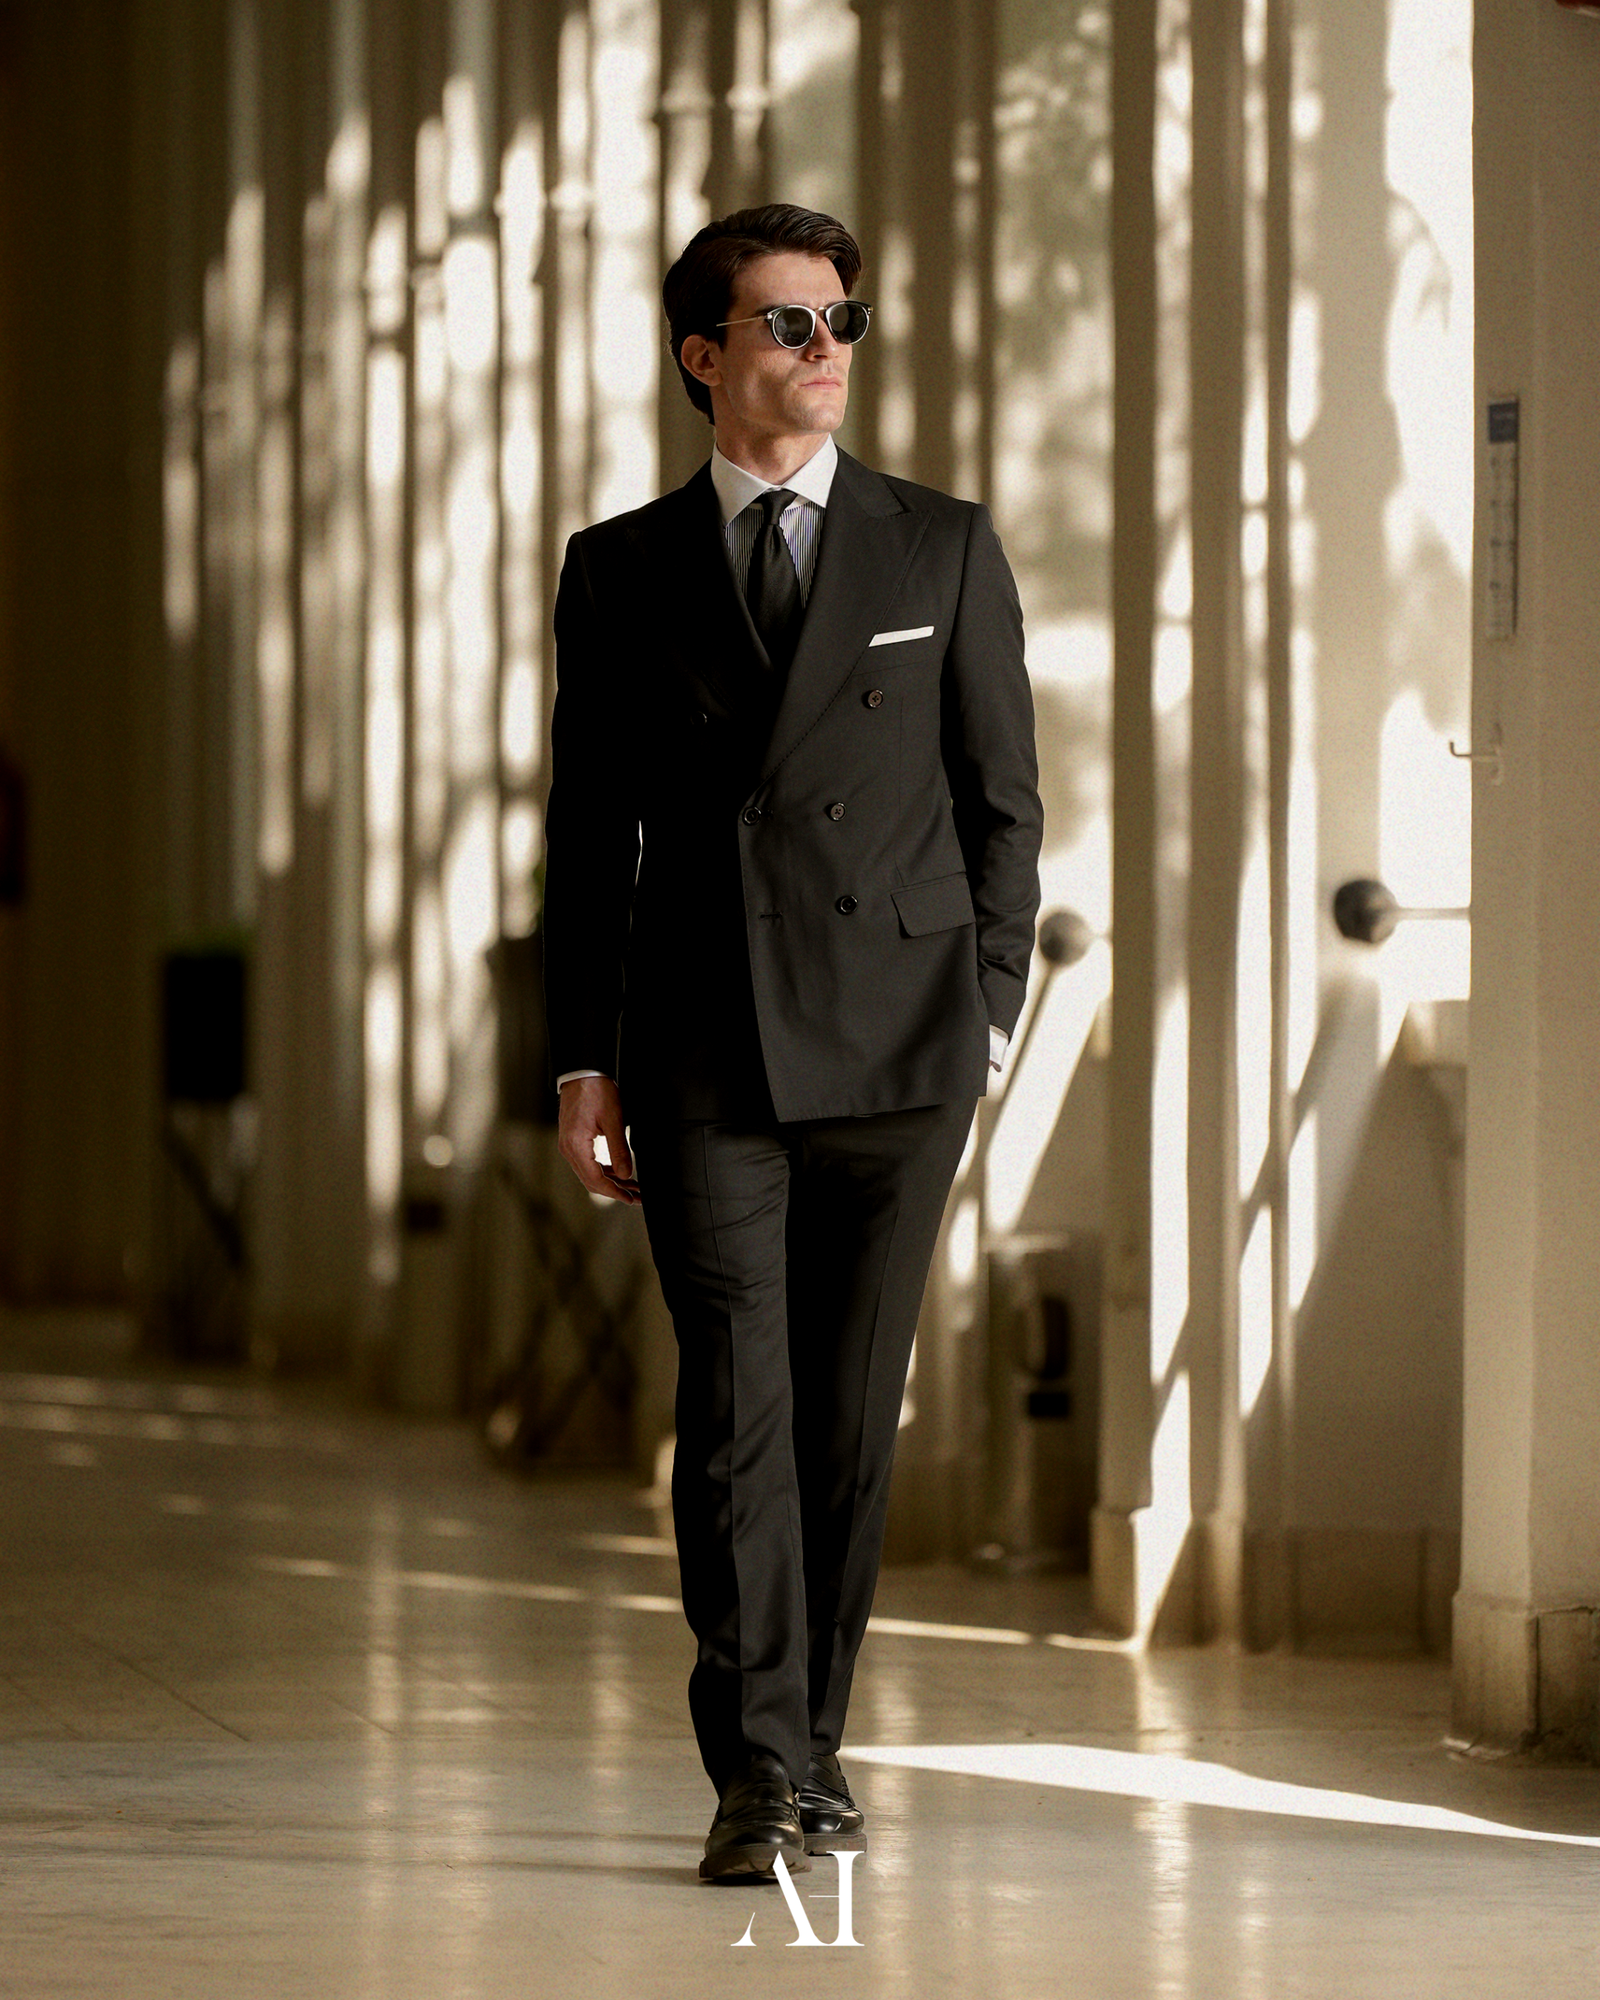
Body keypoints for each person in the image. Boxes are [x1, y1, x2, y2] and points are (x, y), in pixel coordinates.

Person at [542, 203, 1041, 1883]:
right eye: (789, 324)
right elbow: (586, 835)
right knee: (737, 1414)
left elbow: (1003, 802)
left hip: (902, 1047)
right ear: (705, 356)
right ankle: (756, 1772)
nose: (826, 351)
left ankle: (813, 1739)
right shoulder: (619, 568)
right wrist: (582, 1057)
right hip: (704, 1047)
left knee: (844, 1417)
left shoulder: (939, 546)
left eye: (842, 322)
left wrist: (988, 1003)